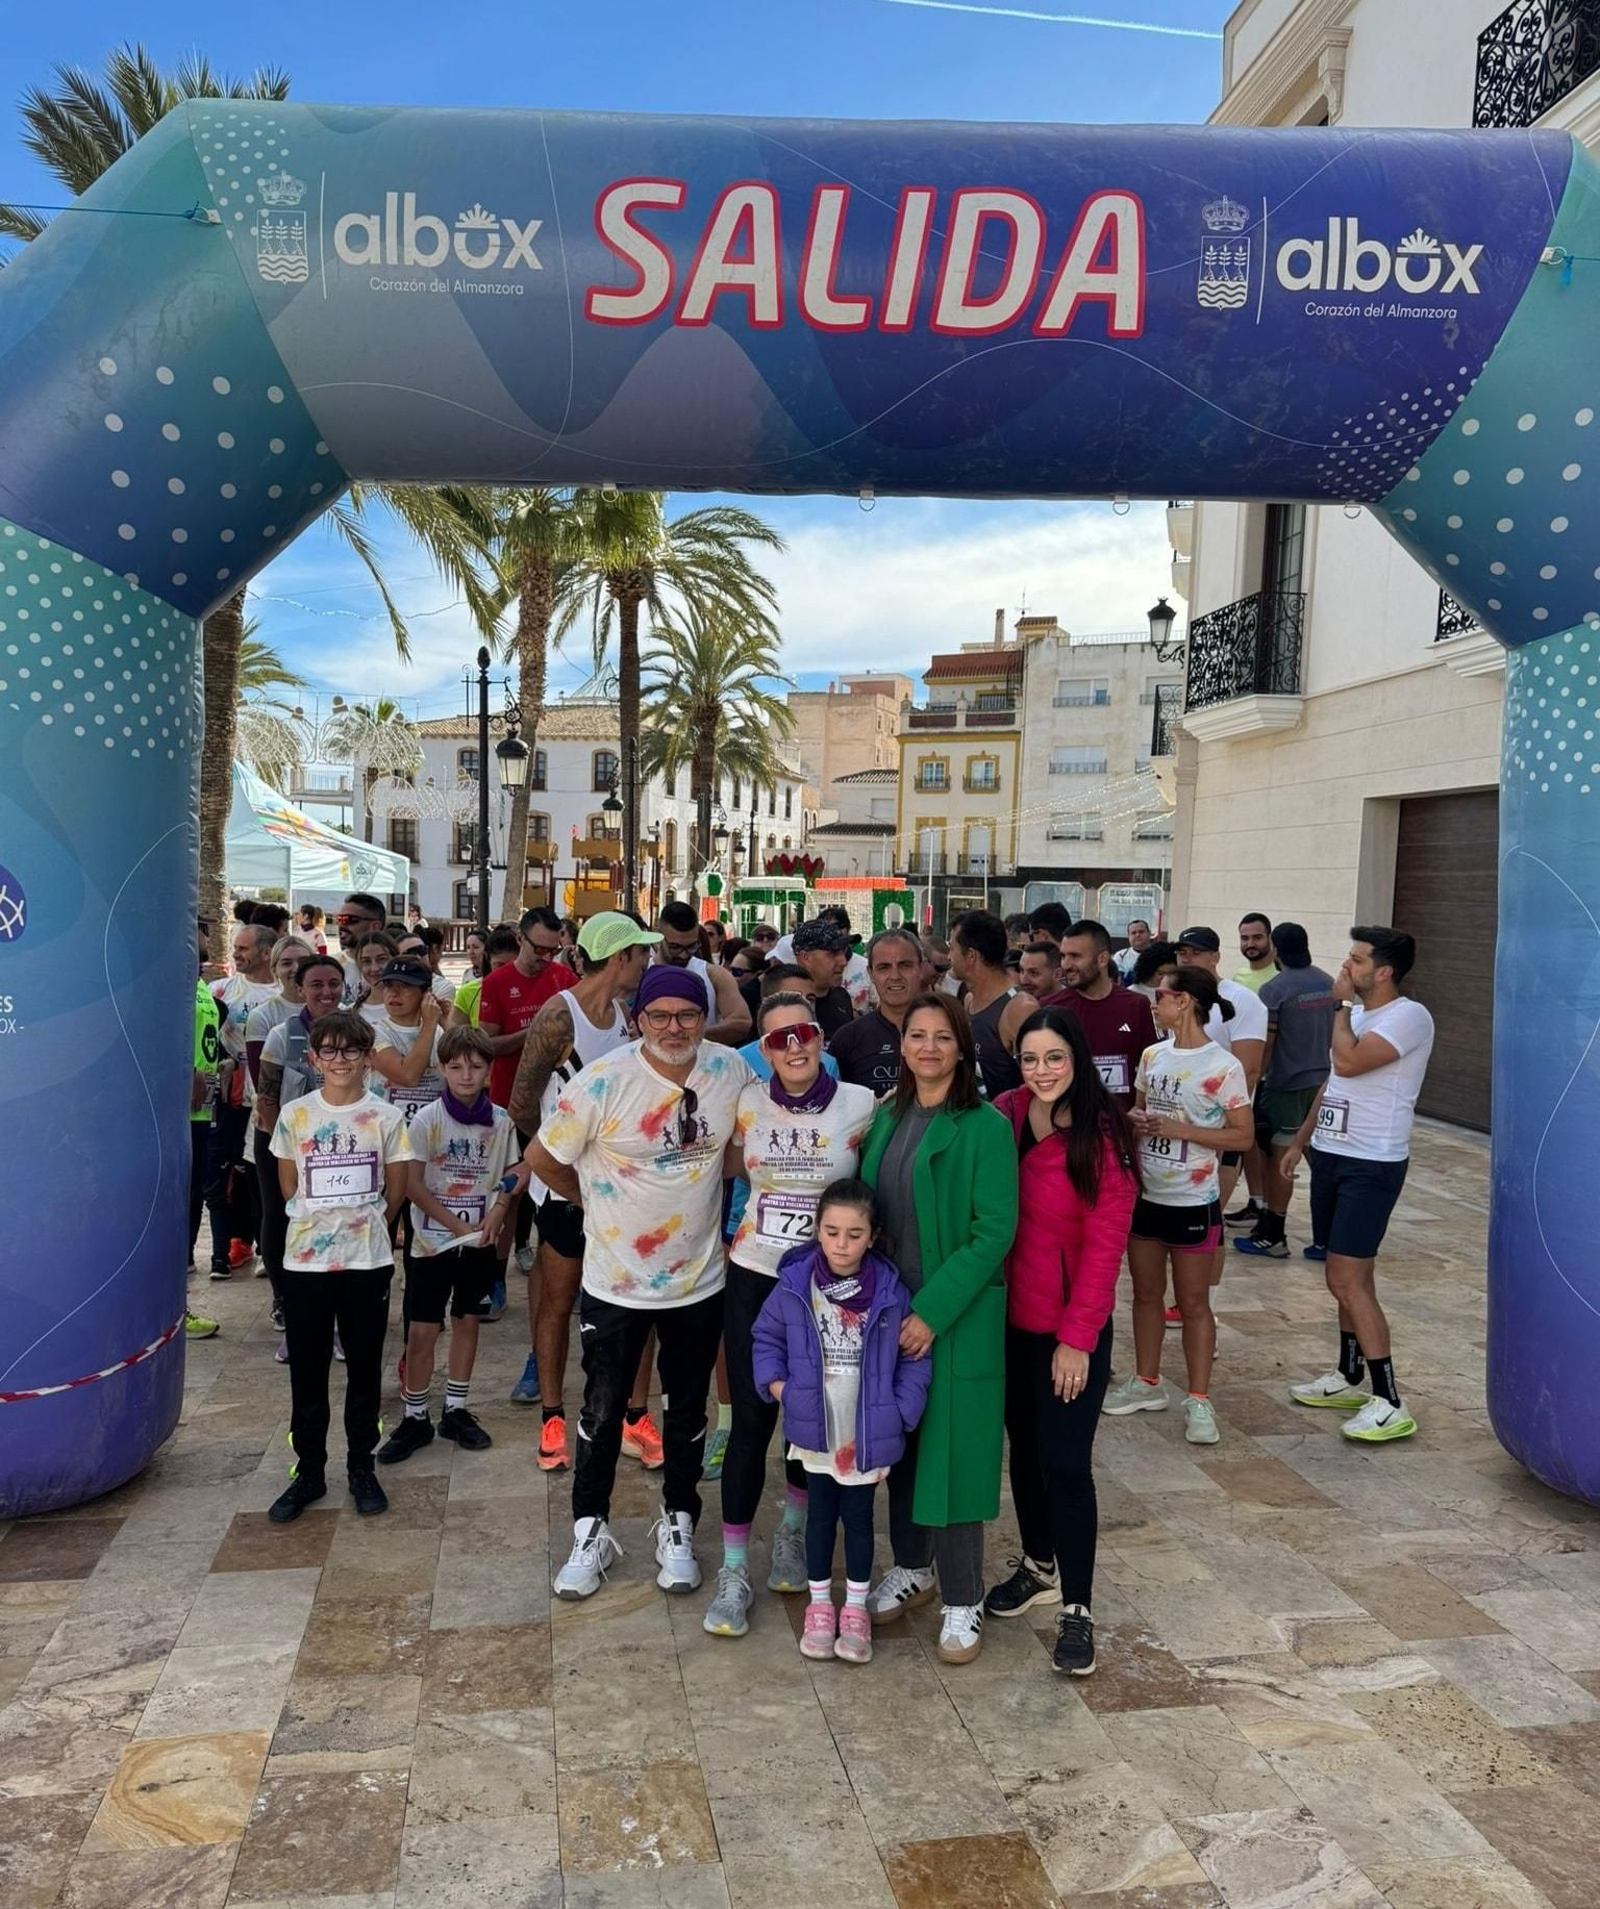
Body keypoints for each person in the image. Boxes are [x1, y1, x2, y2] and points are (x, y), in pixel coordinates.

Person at [525, 966, 754, 1599]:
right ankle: (589, 1531)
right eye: (660, 1016)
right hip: (616, 1282)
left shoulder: (728, 1070)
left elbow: (740, 1146)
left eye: (688, 1015)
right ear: (638, 1020)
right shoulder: (604, 1082)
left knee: (686, 1412)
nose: (674, 1027)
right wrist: (595, 1206)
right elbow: (543, 1159)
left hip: (698, 1283)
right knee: (601, 1412)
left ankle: (678, 1524)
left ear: (704, 1019)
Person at [701, 994, 876, 1641]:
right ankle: (735, 1567)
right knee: (751, 1420)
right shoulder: (748, 1102)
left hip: (830, 1285)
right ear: (764, 1049)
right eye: (778, 1039)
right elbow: (717, 1167)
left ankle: (794, 1538)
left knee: (811, 1415)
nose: (793, 1046)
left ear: (820, 1036)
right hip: (756, 1275)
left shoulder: (859, 1104)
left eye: (803, 1033)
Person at [859, 993, 1018, 1664]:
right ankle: (914, 1564)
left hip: (952, 1316)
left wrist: (932, 1311)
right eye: (917, 1036)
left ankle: (963, 1594)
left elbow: (993, 1232)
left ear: (962, 1047)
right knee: (906, 1447)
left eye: (941, 1037)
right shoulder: (887, 1116)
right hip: (890, 1313)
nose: (928, 1047)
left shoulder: (983, 1126)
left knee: (955, 1458)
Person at [987, 1009, 1139, 1676]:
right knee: (1023, 1449)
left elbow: (1106, 1250)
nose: (1042, 1070)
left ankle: (1078, 1606)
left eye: (1054, 1057)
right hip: (1008, 1322)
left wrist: (1077, 1340)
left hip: (1069, 1329)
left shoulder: (1103, 1139)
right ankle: (1037, 1563)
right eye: (1030, 1058)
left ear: (1077, 1059)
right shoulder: (1006, 1112)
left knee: (1066, 1463)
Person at [753, 1179, 933, 1665]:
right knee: (818, 1517)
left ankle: (854, 1609)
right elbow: (765, 1338)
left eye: (855, 1234)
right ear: (818, 1231)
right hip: (816, 1429)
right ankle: (819, 1607)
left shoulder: (892, 1293)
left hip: (866, 1433)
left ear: (873, 1236)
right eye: (831, 1232)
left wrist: (900, 1412)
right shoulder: (796, 1285)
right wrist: (780, 1389)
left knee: (857, 1520)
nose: (841, 1244)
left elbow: (916, 1359)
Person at [506, 912, 658, 1448]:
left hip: (619, 1189)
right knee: (559, 1300)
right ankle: (552, 1415)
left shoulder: (626, 1015)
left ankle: (635, 1416)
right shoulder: (558, 1015)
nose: (648, 961)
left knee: (637, 1303)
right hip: (566, 1191)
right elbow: (522, 1103)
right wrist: (558, 1157)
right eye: (642, 953)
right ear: (620, 957)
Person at [1282, 927, 1434, 1443]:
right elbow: (1335, 1079)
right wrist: (1302, 1140)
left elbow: (1349, 1059)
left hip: (1372, 1163)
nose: (1347, 966)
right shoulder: (1362, 1015)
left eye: (1357, 959)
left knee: (1348, 1279)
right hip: (1332, 1155)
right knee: (1342, 1274)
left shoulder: (1408, 1017)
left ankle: (1390, 1399)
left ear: (1384, 971)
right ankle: (1349, 1375)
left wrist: (1340, 1008)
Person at [269, 1009, 411, 1523]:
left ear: (367, 1059)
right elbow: (289, 1186)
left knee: (365, 1368)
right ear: (314, 1057)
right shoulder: (296, 1116)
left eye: (351, 1050)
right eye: (329, 1050)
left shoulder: (386, 1119)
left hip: (367, 1260)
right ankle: (309, 1471)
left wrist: (371, 1224)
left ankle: (360, 1466)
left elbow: (396, 1190)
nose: (340, 1059)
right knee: (307, 1371)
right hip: (306, 1262)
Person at [1105, 969, 1253, 1445]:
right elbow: (1143, 1114)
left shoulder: (1223, 1066)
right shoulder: (1152, 1055)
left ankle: (1199, 1399)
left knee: (1192, 1303)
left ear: (1184, 1001)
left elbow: (1243, 1135)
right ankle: (1147, 1382)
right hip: (1147, 1195)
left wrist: (1182, 1131)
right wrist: (1137, 1122)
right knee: (1145, 1295)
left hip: (1194, 1200)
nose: (1154, 1003)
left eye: (1161, 996)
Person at [378, 1025, 519, 1465]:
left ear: (488, 1070)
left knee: (469, 1320)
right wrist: (454, 1226)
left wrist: (498, 1211)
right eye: (455, 1067)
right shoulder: (426, 1120)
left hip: (479, 1241)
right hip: (431, 1243)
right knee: (422, 1329)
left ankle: (455, 1408)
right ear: (441, 1069)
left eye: (475, 1067)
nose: (465, 1075)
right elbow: (413, 1184)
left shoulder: (501, 1121)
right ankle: (415, 1414)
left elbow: (515, 1171)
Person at [256, 954, 350, 1362]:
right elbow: (267, 1100)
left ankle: (341, 1323)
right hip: (287, 1150)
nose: (326, 992)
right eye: (316, 985)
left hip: (341, 1152)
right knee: (284, 1226)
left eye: (334, 984)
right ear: (300, 988)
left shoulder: (361, 1032)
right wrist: (288, 1155)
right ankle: (293, 1315)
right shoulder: (282, 1035)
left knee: (340, 1232)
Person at [1235, 923, 1338, 1261]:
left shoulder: (1274, 989)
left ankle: (1273, 1234)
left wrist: (1252, 1084)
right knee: (1322, 1161)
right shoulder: (1326, 982)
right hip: (1323, 1084)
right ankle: (1329, 1238)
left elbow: (1266, 1047)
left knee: (1280, 1160)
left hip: (1284, 1088)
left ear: (1276, 949)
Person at [1174, 927, 1267, 1245]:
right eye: (1182, 952)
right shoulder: (1174, 999)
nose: (1186, 959)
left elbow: (1249, 1069)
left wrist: (1227, 1129)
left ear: (1215, 957)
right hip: (1175, 1126)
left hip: (1218, 1128)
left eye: (1194, 952)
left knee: (1207, 1224)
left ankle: (1204, 1295)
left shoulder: (1242, 1001)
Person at [210, 921, 281, 1275]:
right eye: (235, 947)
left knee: (265, 1173)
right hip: (235, 1098)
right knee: (235, 1170)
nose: (236, 954)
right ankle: (240, 1242)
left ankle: (268, 1242)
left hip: (274, 1099)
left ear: (266, 952)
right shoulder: (221, 990)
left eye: (243, 948)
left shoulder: (286, 993)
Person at [479, 907, 580, 1120]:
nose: (547, 958)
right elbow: (487, 1045)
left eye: (554, 952)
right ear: (520, 939)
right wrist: (537, 1031)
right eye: (540, 950)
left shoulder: (564, 977)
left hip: (556, 1101)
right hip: (508, 1101)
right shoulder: (495, 983)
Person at [1046, 920, 1156, 1110]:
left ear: (1103, 959)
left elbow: (1150, 1069)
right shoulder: (1050, 1009)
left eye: (1075, 956)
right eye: (1063, 956)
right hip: (1068, 1126)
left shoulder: (1136, 1005)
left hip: (1121, 1128)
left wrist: (1138, 1110)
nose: (1066, 965)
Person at [829, 928, 921, 1097]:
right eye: (884, 967)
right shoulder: (848, 1039)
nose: (895, 976)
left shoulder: (950, 1033)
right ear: (870, 973)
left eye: (905, 965)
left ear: (921, 968)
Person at [949, 910, 1030, 1098]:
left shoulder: (1019, 1009)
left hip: (1006, 1124)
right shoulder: (969, 1000)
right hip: (972, 1122)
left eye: (951, 948)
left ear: (971, 956)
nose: (948, 957)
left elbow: (1039, 1081)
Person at [655, 900, 752, 1045]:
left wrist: (690, 1035)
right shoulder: (638, 974)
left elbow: (742, 1022)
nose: (683, 955)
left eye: (691, 947)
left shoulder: (714, 975)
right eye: (675, 947)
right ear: (659, 935)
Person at [186, 960, 223, 1339]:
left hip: (202, 1102)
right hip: (177, 1102)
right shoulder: (168, 980)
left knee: (195, 1193)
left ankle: (180, 1301)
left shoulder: (198, 981)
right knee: (181, 1197)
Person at [366, 958, 447, 1125]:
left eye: (405, 985)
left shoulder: (438, 1031)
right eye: (389, 985)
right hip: (388, 1127)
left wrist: (447, 1023)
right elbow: (408, 1076)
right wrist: (430, 1024)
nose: (394, 993)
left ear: (427, 993)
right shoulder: (373, 1033)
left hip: (432, 1126)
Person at [790, 919, 856, 1040]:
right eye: (833, 953)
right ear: (805, 958)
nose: (843, 962)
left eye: (844, 951)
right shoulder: (785, 1005)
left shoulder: (841, 997)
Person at [453, 924, 518, 1028]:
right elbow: (456, 1038)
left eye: (512, 966)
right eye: (500, 966)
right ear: (488, 958)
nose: (506, 972)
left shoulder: (534, 990)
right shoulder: (468, 993)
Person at [335, 892, 389, 1001]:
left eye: (349, 920)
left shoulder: (391, 966)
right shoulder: (331, 964)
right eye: (339, 920)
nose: (342, 925)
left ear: (375, 926)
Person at [1234, 913, 1277, 993]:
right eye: (1244, 938)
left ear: (1270, 938)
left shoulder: (1280, 977)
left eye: (1257, 937)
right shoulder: (1238, 977)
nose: (1250, 944)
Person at [1128, 939, 1181, 1004]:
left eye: (1171, 973)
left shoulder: (1180, 992)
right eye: (1160, 973)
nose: (1165, 978)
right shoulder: (1132, 993)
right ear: (1148, 972)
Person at [1017, 941, 1061, 1005]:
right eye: (1022, 971)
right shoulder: (1020, 1002)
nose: (1024, 981)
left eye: (1033, 973)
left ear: (1057, 974)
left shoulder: (1073, 1007)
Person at [1113, 918, 1153, 983]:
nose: (1137, 935)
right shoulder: (1120, 956)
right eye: (1133, 933)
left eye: (1141, 932)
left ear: (1149, 933)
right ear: (1128, 936)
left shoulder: (1159, 954)